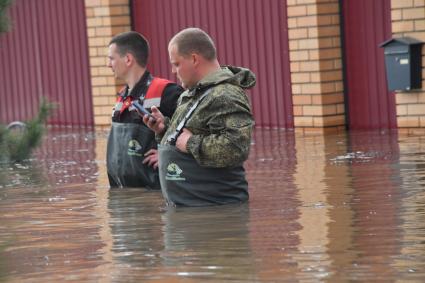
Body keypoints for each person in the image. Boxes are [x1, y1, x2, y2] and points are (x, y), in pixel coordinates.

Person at [143, 27, 256, 206]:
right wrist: (164, 128)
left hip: (214, 215)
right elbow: (186, 135)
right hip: (187, 213)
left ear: (194, 59)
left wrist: (191, 143)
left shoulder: (226, 94)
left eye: (177, 64)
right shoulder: (191, 94)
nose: (173, 70)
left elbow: (237, 148)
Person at [106, 31, 183, 189]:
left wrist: (169, 156)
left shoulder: (167, 92)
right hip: (124, 198)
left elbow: (194, 132)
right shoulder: (122, 98)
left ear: (128, 59)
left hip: (154, 196)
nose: (108, 64)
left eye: (111, 58)